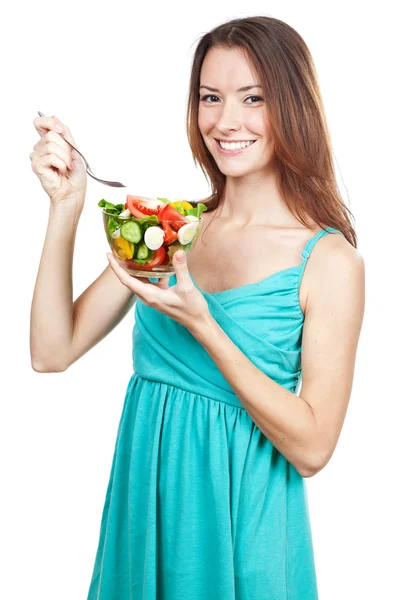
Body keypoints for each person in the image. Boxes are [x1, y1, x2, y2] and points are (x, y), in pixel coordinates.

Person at [29, 15, 365, 600]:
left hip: (247, 526)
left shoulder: (329, 262)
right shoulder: (169, 229)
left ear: (292, 106)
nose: (225, 121)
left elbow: (313, 449)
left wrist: (204, 325)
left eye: (252, 98)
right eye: (210, 97)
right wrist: (67, 206)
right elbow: (51, 352)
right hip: (147, 512)